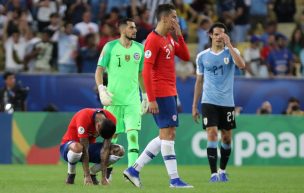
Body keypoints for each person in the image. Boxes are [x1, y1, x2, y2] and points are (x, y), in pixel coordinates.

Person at [123, 4, 193, 188]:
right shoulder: (152, 40)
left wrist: (179, 35)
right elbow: (146, 71)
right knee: (168, 135)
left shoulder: (168, 37)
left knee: (166, 135)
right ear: (164, 18)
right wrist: (150, 98)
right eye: (174, 18)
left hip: (170, 91)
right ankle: (174, 179)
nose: (176, 21)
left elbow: (185, 56)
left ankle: (134, 170)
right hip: (160, 92)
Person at [192, 22, 245, 182]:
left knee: (227, 138)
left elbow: (242, 66)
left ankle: (222, 170)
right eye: (216, 34)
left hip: (227, 102)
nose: (219, 37)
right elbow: (199, 81)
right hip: (209, 102)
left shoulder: (232, 52)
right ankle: (213, 173)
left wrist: (229, 44)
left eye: (222, 35)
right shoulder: (202, 56)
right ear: (210, 35)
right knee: (212, 134)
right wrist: (195, 105)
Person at [95, 18, 147, 170]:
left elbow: (140, 74)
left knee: (133, 136)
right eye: (132, 28)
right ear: (123, 30)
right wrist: (101, 89)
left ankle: (132, 173)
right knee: (110, 139)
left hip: (132, 101)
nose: (135, 30)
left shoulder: (139, 48)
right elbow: (99, 70)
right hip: (113, 100)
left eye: (135, 27)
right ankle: (107, 172)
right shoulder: (110, 47)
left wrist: (145, 95)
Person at [60, 108, 125, 185]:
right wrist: (86, 176)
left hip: (89, 147)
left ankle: (92, 173)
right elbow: (85, 150)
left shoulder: (112, 119)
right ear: (98, 125)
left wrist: (103, 177)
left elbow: (106, 148)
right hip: (69, 147)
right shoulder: (84, 117)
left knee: (119, 151)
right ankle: (71, 174)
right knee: (78, 148)